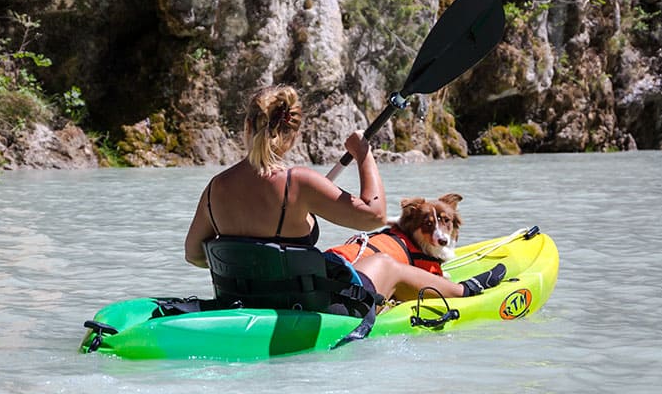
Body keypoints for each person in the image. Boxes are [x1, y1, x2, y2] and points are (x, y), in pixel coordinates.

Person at [185, 85, 504, 311]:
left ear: (246, 126)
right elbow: (376, 215)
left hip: (242, 301)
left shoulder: (216, 187)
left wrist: (250, 264)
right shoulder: (300, 182)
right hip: (310, 309)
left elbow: (195, 255)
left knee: (348, 262)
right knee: (384, 263)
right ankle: (466, 291)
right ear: (294, 132)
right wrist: (364, 155)